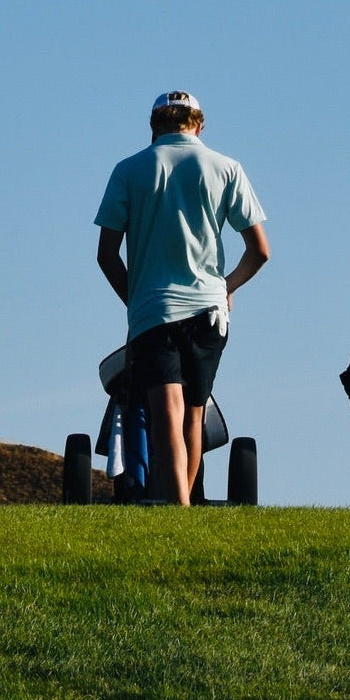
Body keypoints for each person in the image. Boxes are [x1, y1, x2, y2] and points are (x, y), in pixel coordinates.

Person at [95, 91, 270, 505]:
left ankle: (177, 509)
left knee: (166, 415)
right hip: (210, 310)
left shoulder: (129, 169)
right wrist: (226, 288)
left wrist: (135, 302)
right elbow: (259, 251)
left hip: (154, 309)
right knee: (194, 413)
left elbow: (106, 255)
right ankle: (185, 507)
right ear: (199, 124)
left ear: (153, 125)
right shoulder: (227, 167)